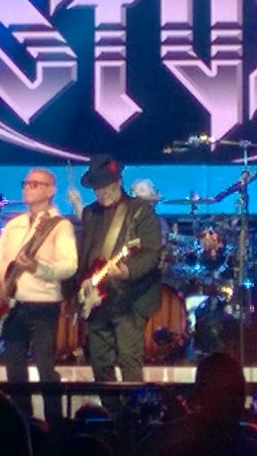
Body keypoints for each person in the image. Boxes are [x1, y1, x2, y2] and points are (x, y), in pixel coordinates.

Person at [0, 168, 78, 423]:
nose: (27, 188)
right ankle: (23, 423)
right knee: (14, 371)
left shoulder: (60, 226)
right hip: (12, 305)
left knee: (46, 369)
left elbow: (69, 266)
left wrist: (38, 267)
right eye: (26, 183)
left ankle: (55, 426)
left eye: (35, 184)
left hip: (44, 305)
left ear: (50, 190)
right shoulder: (14, 225)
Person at [74, 154, 162, 412]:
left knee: (129, 359)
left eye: (106, 186)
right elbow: (85, 253)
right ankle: (115, 415)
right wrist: (81, 286)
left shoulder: (139, 210)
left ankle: (135, 418)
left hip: (129, 299)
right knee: (100, 362)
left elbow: (151, 253)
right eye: (97, 188)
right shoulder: (90, 213)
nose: (102, 193)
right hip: (97, 300)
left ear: (118, 182)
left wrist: (127, 270)